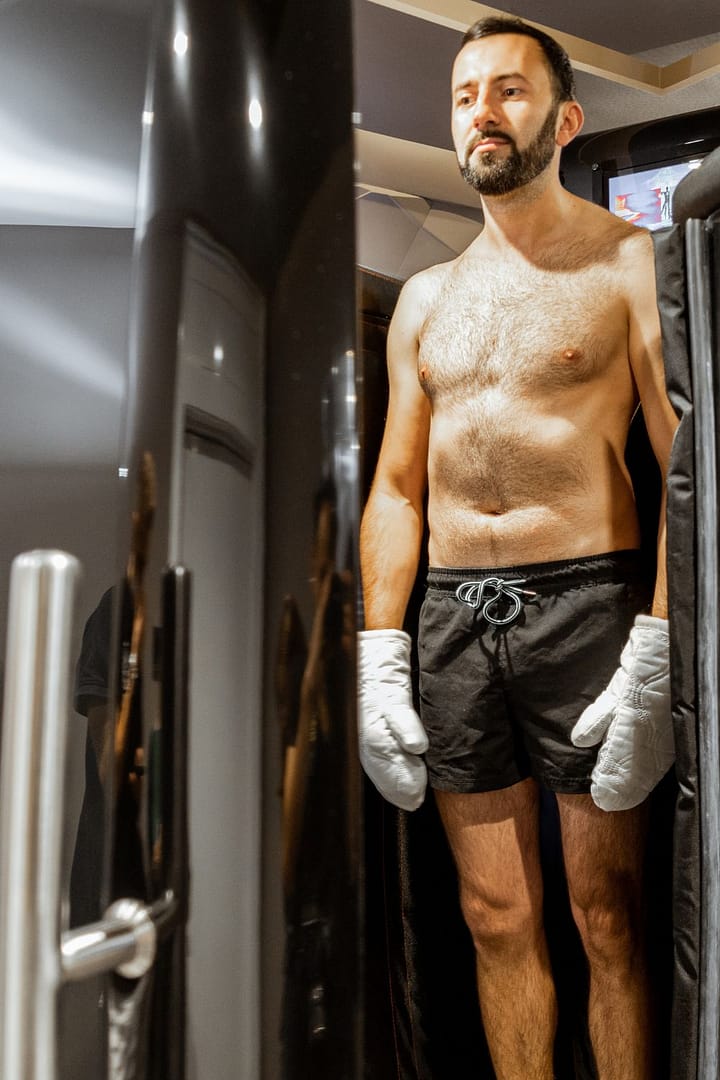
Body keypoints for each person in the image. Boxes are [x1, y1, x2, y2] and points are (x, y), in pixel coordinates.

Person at [357, 15, 678, 1080]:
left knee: (610, 917)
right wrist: (379, 651)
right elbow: (396, 488)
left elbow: (686, 474)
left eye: (507, 91)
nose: (481, 114)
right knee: (494, 917)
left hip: (585, 604)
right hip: (451, 618)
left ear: (564, 118)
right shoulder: (424, 300)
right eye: (463, 97)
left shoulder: (629, 262)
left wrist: (655, 648)